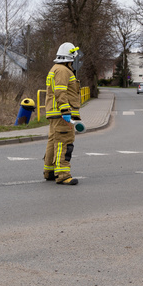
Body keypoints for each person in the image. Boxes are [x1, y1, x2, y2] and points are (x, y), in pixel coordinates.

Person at [43, 42, 82, 185]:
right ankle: (63, 174)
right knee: (64, 143)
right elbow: (60, 91)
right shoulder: (63, 71)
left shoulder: (55, 68)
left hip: (54, 113)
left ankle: (50, 171)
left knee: (53, 142)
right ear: (70, 57)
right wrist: (66, 110)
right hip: (62, 114)